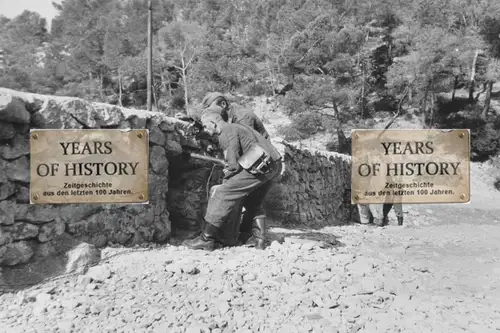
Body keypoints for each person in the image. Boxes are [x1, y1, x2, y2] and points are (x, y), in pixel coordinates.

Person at [182, 112, 282, 251]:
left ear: (214, 123)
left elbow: (232, 165)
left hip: (259, 165)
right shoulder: (238, 127)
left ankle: (206, 238)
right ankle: (257, 239)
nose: (205, 129)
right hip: (274, 164)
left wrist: (227, 180)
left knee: (222, 192)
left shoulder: (226, 132)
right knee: (253, 201)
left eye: (206, 126)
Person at [200, 92, 270, 140]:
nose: (211, 114)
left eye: (212, 110)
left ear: (223, 104)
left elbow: (248, 142)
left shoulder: (242, 117)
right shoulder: (228, 113)